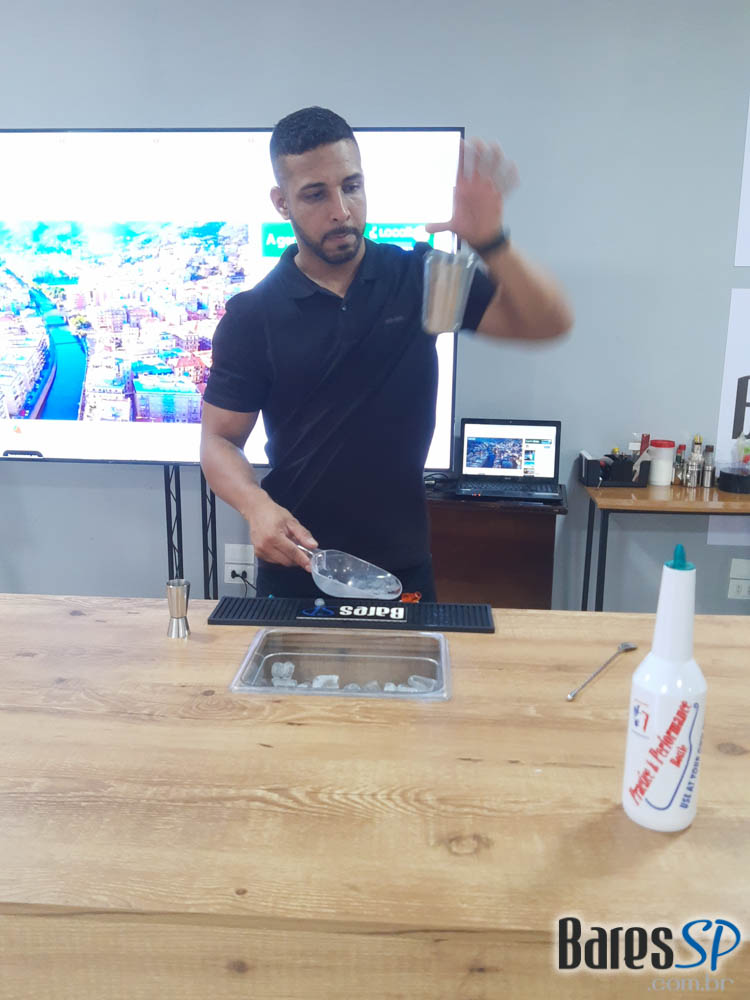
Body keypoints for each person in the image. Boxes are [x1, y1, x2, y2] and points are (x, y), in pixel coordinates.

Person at [200, 106, 573, 601]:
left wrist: (492, 243)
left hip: (402, 568)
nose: (341, 210)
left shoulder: (418, 277)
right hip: (299, 566)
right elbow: (219, 440)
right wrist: (255, 505)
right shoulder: (254, 315)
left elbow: (548, 322)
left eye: (351, 186)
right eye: (315, 194)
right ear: (281, 202)